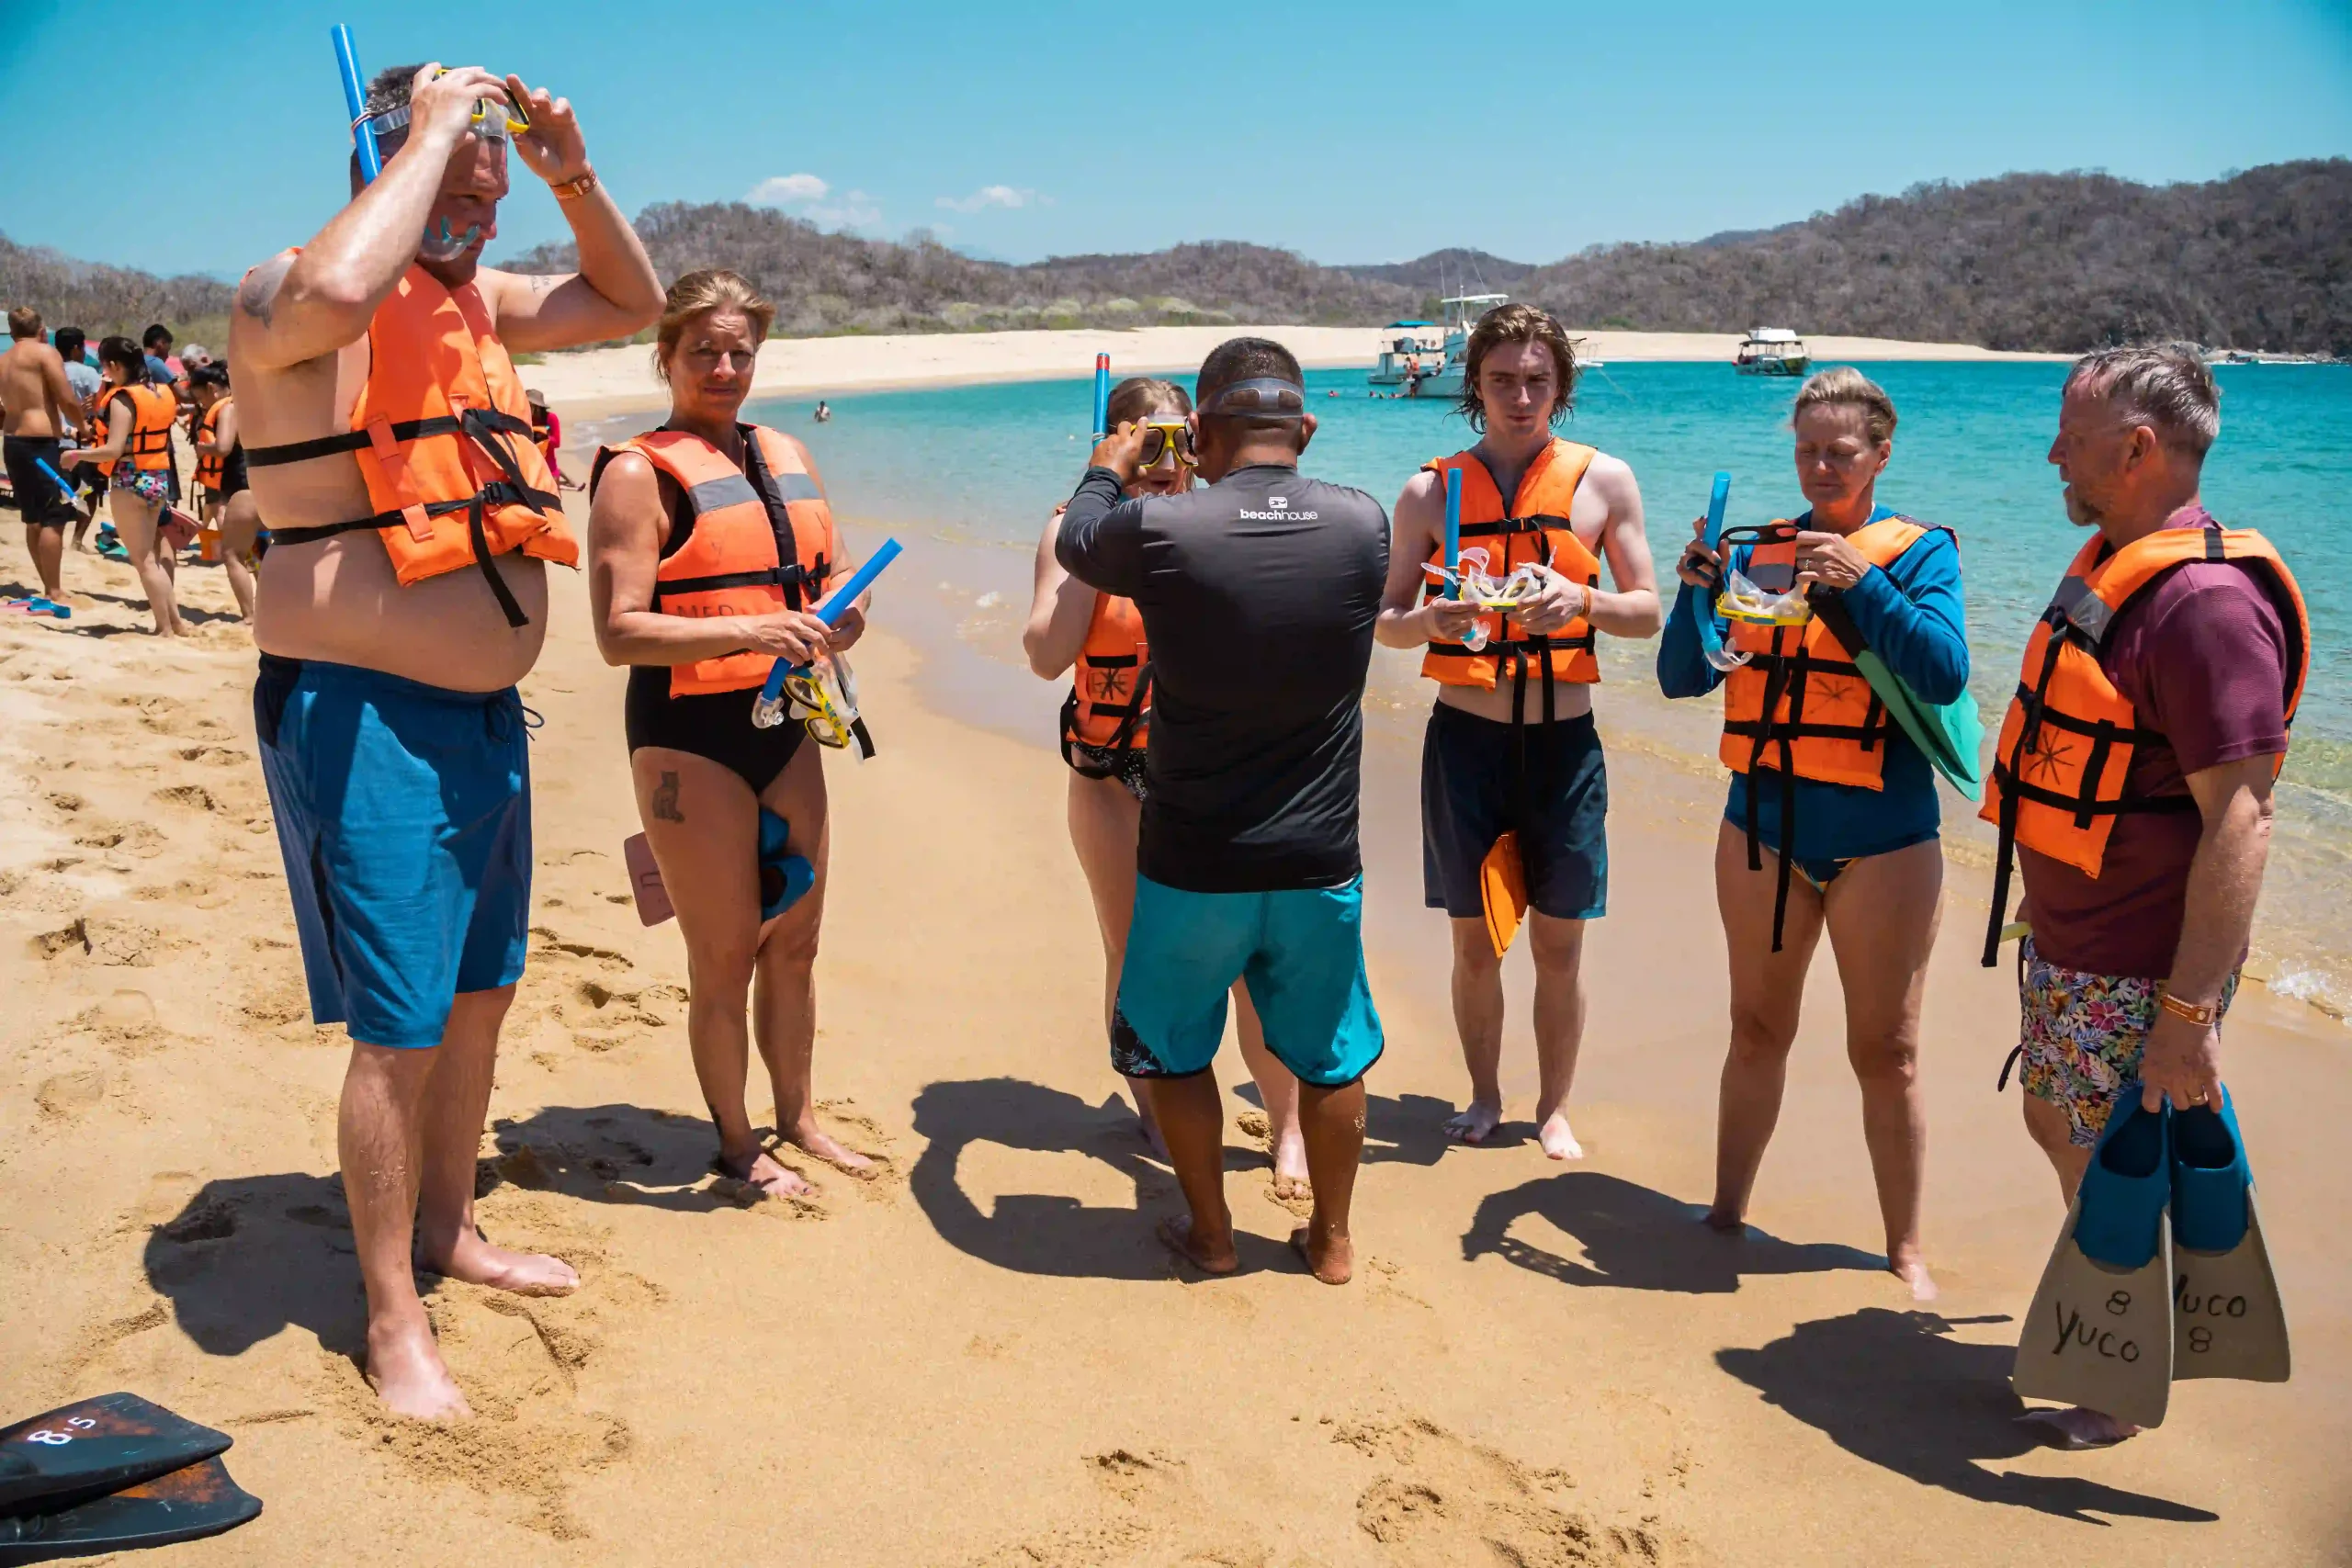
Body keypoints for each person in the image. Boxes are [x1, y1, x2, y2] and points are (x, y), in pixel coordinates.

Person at [228, 60, 661, 1419]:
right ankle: (392, 1312)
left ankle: (449, 1226)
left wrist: (568, 167)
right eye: (456, 179)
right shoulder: (284, 294)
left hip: (483, 717)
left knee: (480, 996)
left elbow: (634, 300)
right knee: (398, 1027)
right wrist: (425, 133)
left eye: (492, 189)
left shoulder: (479, 304)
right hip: (364, 714)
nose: (479, 209)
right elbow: (348, 292)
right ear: (387, 161)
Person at [1985, 345, 2304, 1447]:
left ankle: (2114, 1372)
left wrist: (2184, 1018)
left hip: (2137, 970)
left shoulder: (2205, 606)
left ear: (2135, 447)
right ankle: (2116, 1324)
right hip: (2076, 949)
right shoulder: (2119, 568)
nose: (2052, 453)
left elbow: (2244, 818)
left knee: (2110, 1162)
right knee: (2058, 1123)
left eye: (2069, 434)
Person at [1056, 337, 1389, 1286]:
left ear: (1198, 431)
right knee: (1329, 1055)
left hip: (1194, 852)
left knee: (1168, 1043)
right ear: (1307, 429)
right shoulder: (1363, 525)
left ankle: (1211, 1234)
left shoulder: (1167, 533)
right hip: (1319, 852)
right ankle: (1330, 1241)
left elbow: (1081, 540)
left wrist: (1107, 465)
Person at [1657, 367, 1968, 1303]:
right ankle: (1724, 1208)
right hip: (1763, 826)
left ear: (1880, 453)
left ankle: (1904, 1246)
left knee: (1888, 1049)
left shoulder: (1920, 556)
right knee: (1755, 1027)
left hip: (1885, 836)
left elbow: (1944, 672)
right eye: (1806, 450)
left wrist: (1860, 581)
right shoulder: (1761, 551)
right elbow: (1683, 678)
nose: (1821, 466)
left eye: (1840, 450)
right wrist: (1694, 593)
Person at [586, 268, 876, 1198]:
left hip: (784, 719)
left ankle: (799, 1118)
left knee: (795, 942)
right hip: (686, 733)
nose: (722, 366)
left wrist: (840, 621)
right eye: (702, 351)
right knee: (724, 952)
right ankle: (738, 1141)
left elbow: (824, 590)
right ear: (664, 355)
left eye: (739, 352)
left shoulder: (783, 452)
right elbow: (616, 632)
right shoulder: (637, 474)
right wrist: (753, 630)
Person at [1374, 303, 1659, 1158]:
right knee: (1475, 941)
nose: (1520, 397)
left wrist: (1585, 600)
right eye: (1502, 380)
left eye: (1538, 380)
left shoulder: (1605, 481)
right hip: (1464, 743)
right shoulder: (1429, 490)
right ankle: (1484, 1094)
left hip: (1564, 747)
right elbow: (1383, 617)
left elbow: (1646, 610)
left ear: (1561, 386)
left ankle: (1555, 1105)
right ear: (1475, 386)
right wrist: (1433, 620)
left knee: (1560, 942)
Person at [1024, 376, 1310, 1196]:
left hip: (1217, 778)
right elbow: (1046, 656)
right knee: (1134, 951)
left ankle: (1288, 1126)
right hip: (1112, 775)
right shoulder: (1068, 533)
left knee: (1252, 962)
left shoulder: (1231, 526)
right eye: (1143, 444)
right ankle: (1153, 1107)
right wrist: (1098, 527)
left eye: (1179, 443)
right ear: (1111, 446)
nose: (1164, 464)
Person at [61, 335, 186, 635]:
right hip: (158, 478)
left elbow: (113, 450)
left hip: (129, 481)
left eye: (106, 368)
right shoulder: (161, 392)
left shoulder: (123, 399)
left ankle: (164, 628)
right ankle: (177, 623)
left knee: (144, 562)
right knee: (153, 558)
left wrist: (76, 455)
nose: (105, 374)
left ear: (115, 365)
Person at [0, 306, 91, 600]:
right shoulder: (44, 353)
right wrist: (82, 426)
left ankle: (48, 584)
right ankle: (54, 589)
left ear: (11, 332)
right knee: (54, 516)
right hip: (39, 444)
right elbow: (66, 398)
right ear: (42, 331)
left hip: (13, 442)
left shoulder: (3, 360)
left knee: (33, 517)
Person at [188, 362, 256, 619]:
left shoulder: (228, 408)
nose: (202, 405)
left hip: (240, 486)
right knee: (258, 549)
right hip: (256, 482)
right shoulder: (247, 402)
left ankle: (250, 615)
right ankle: (267, 609)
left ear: (211, 388)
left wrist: (202, 448)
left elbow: (224, 447)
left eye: (200, 398)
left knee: (232, 555)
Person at [51, 328, 104, 548]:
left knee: (61, 493)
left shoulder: (50, 372)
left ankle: (56, 537)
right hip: (84, 444)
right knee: (89, 493)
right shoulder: (88, 373)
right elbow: (101, 405)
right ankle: (77, 540)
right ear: (76, 349)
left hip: (54, 441)